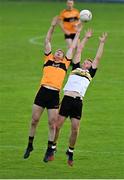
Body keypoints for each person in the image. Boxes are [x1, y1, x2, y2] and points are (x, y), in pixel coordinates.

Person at [23, 16, 83, 162]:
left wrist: (78, 33)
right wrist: (52, 26)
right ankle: (30, 145)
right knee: (34, 120)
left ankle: (49, 149)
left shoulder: (65, 63)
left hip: (54, 94)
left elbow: (72, 47)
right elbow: (47, 41)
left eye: (60, 53)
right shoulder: (48, 59)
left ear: (63, 57)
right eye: (57, 52)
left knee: (52, 123)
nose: (58, 53)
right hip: (43, 91)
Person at [53, 31, 108, 166]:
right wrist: (86, 38)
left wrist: (101, 43)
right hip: (67, 99)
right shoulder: (76, 68)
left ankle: (70, 151)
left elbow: (97, 58)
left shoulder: (90, 73)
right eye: (85, 61)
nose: (86, 63)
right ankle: (52, 147)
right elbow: (79, 50)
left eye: (88, 62)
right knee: (57, 126)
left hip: (78, 102)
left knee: (75, 129)